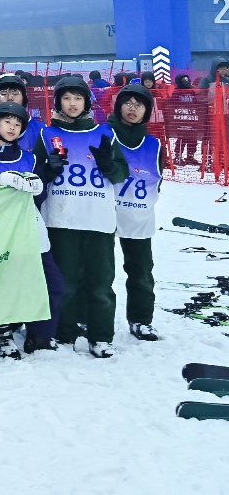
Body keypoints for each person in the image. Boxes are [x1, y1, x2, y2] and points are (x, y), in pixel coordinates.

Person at [0, 100, 60, 358]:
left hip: (28, 230)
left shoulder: (29, 159)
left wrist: (37, 187)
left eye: (18, 124)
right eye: (7, 122)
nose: (12, 127)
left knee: (50, 283)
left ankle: (40, 334)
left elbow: (39, 195)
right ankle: (2, 332)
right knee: (3, 284)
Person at [41, 74, 128, 357]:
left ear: (87, 102)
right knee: (65, 283)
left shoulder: (105, 133)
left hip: (97, 220)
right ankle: (65, 332)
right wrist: (47, 169)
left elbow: (121, 174)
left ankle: (100, 336)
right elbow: (35, 175)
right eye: (66, 98)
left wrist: (109, 164)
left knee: (100, 283)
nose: (72, 103)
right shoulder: (46, 134)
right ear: (58, 102)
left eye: (78, 98)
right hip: (61, 219)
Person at [109, 84, 160, 342]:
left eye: (139, 105)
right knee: (97, 271)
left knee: (141, 272)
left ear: (146, 111)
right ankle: (88, 317)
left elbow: (157, 178)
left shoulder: (154, 144)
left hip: (138, 216)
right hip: (104, 213)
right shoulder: (105, 134)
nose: (133, 108)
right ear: (118, 106)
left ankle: (141, 319)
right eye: (127, 103)